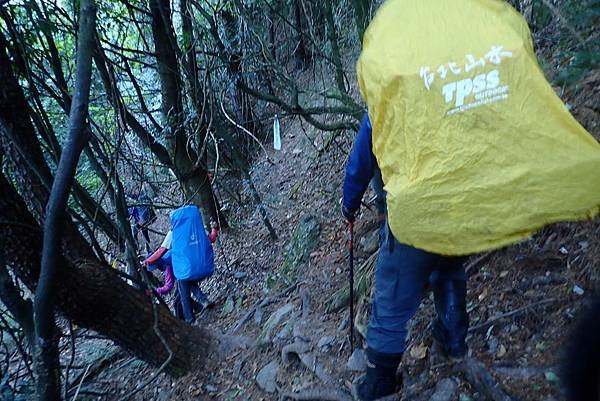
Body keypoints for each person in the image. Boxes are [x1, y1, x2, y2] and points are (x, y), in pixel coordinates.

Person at [342, 114, 469, 400]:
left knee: (392, 293)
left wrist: (349, 205)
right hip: (453, 207)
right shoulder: (443, 89)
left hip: (410, 215)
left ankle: (378, 381)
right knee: (449, 270)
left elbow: (360, 163)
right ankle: (455, 343)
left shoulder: (382, 104)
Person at [157, 205, 219, 324]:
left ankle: (190, 320)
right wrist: (214, 229)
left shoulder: (173, 233)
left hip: (184, 270)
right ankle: (203, 300)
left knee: (183, 293)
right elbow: (211, 239)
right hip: (200, 266)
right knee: (188, 284)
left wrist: (147, 262)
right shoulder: (197, 228)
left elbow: (161, 251)